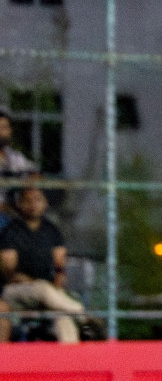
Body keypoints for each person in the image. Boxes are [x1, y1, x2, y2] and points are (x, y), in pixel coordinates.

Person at [0, 186, 87, 343]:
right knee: (42, 289)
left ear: (45, 204)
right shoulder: (10, 232)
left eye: (38, 200)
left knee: (62, 316)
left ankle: (72, 361)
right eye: (28, 201)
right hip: (16, 292)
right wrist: (26, 280)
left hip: (48, 293)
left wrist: (59, 277)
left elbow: (60, 263)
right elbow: (9, 272)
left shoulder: (51, 230)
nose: (33, 204)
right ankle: (83, 315)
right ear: (19, 205)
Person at [0, 110, 40, 178]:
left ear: (10, 131)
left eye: (4, 128)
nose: (0, 132)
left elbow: (34, 172)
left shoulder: (14, 157)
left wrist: (33, 178)